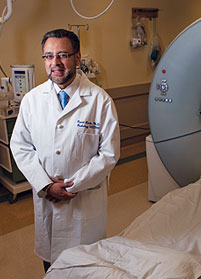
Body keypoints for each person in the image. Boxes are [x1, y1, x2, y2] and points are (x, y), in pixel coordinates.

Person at [10, 29, 120, 272]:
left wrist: (72, 185)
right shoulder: (32, 100)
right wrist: (45, 185)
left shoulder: (99, 100)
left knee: (85, 263)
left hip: (84, 199)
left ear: (78, 58)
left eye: (62, 55)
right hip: (47, 198)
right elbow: (21, 146)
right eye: (48, 56)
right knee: (50, 261)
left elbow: (109, 154)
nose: (55, 63)